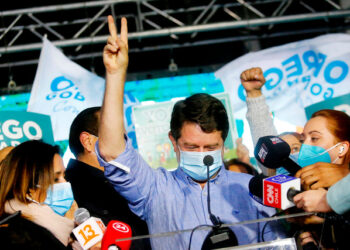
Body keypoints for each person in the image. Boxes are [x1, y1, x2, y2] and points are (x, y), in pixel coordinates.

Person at [96, 15, 284, 249]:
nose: (203, 154)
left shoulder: (251, 188)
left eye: (211, 147)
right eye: (192, 147)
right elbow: (113, 152)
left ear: (224, 143)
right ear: (173, 141)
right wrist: (115, 74)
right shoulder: (155, 189)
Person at [65, 107, 150, 249]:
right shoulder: (72, 195)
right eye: (118, 138)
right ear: (88, 142)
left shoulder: (122, 180)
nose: (125, 147)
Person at [0, 140, 76, 250]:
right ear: (30, 188)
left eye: (64, 176)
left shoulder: (60, 230)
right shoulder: (15, 237)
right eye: (55, 179)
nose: (65, 184)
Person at [241, 67, 302, 176]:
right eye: (283, 151)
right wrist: (254, 93)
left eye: (295, 148)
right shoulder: (273, 173)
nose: (285, 157)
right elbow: (263, 131)